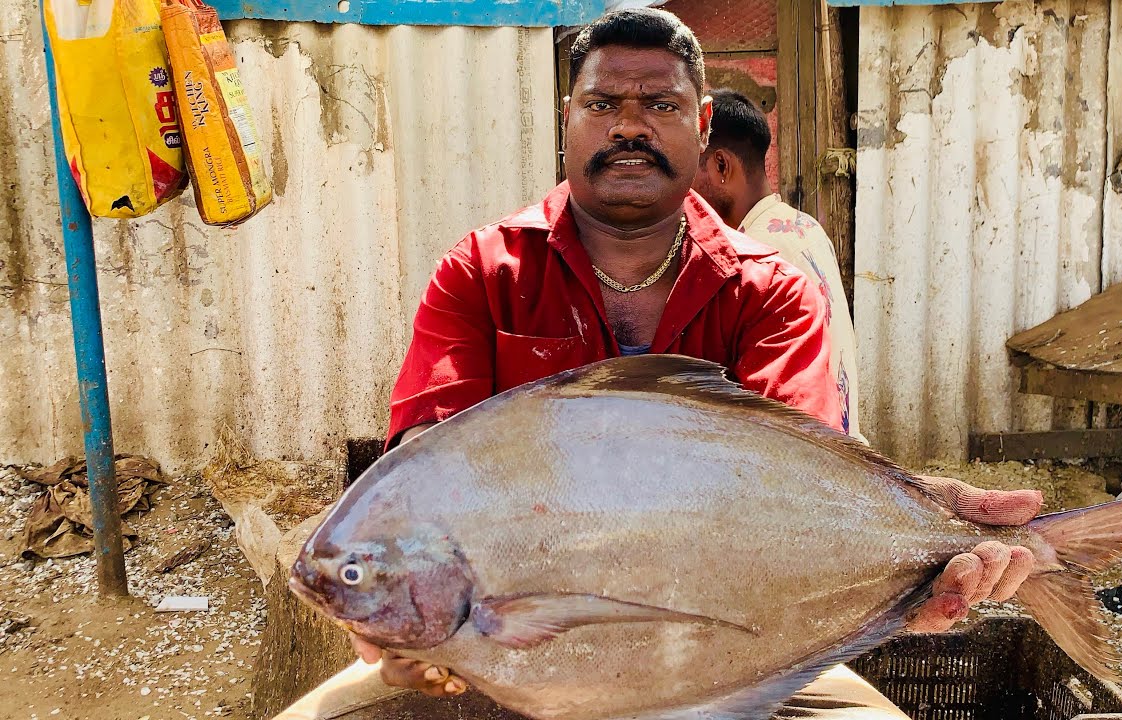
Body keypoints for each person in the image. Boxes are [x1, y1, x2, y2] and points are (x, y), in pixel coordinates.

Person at [274, 8, 1041, 720]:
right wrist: (401, 619)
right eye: (603, 105)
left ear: (703, 125)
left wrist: (912, 543)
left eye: (661, 106)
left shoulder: (772, 289)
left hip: (729, 655)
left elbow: (805, 482)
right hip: (502, 661)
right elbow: (422, 458)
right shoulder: (482, 270)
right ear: (566, 121)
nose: (629, 127)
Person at [692, 89, 863, 444]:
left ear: (721, 166)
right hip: (840, 442)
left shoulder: (753, 258)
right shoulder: (805, 226)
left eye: (690, 173)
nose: (684, 193)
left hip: (806, 449)